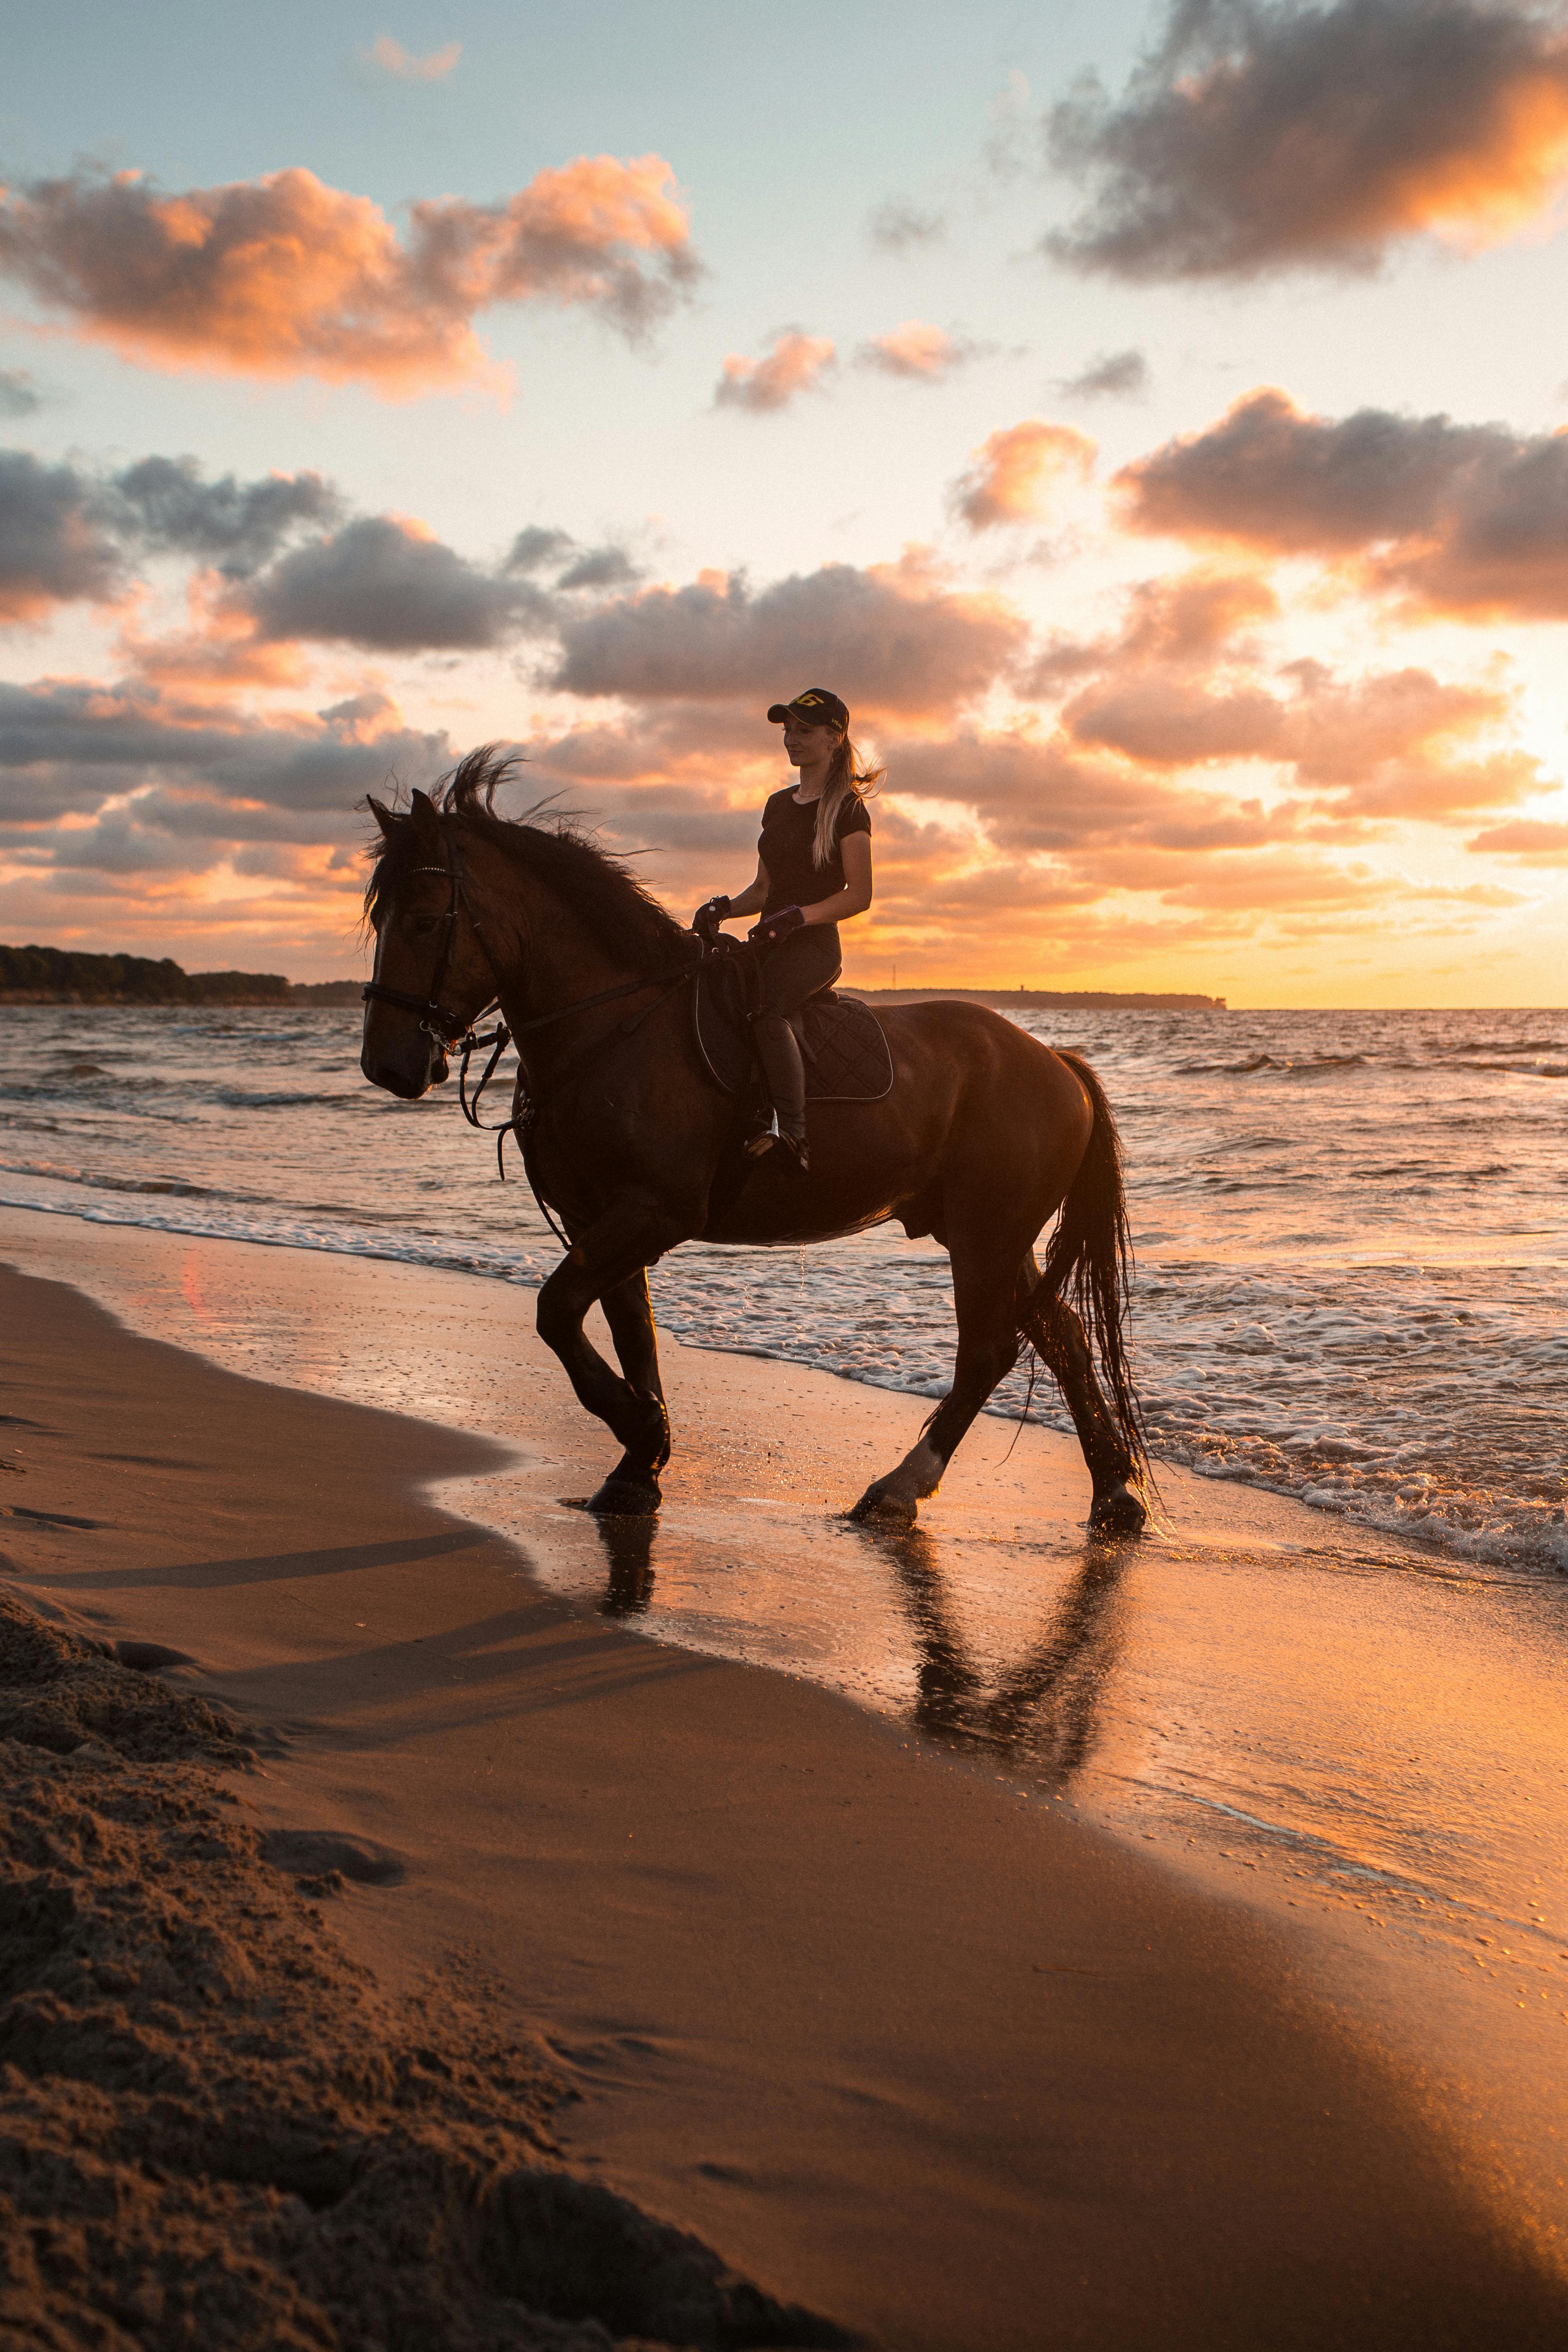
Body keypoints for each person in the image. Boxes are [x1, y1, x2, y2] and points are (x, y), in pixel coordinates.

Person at [692, 688, 878, 1173]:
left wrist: (798, 917)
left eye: (804, 730)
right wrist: (721, 909)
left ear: (834, 738)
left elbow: (859, 896)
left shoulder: (848, 810)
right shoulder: (777, 805)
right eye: (787, 730)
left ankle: (791, 1134)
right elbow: (762, 890)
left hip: (813, 948)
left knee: (767, 1009)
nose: (791, 739)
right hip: (767, 940)